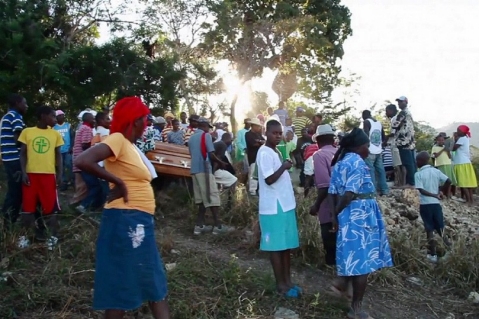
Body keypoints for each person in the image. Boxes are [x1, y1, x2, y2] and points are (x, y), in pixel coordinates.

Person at [75, 97, 170, 319]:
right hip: (126, 220)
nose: (147, 124)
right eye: (144, 119)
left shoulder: (130, 146)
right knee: (138, 283)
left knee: (141, 280)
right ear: (134, 121)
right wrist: (117, 182)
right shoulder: (117, 139)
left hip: (136, 220)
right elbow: (83, 160)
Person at [328, 128, 393, 319]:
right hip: (360, 215)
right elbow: (349, 193)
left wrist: (335, 215)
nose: (368, 149)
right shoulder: (357, 162)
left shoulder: (341, 162)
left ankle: (342, 283)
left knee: (354, 255)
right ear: (358, 147)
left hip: (349, 215)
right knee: (362, 263)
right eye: (366, 146)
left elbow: (333, 192)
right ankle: (356, 309)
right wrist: (337, 213)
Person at [256, 119, 300, 298]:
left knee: (286, 245)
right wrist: (284, 166)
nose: (278, 136)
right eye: (274, 133)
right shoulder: (264, 152)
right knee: (276, 247)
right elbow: (268, 179)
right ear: (266, 133)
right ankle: (281, 285)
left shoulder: (275, 151)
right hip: (273, 207)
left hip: (284, 204)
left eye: (280, 133)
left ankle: (288, 281)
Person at [18, 106, 63, 249]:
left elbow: (58, 155)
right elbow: (23, 154)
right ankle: (25, 237)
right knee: (28, 207)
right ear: (43, 116)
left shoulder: (55, 134)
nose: (55, 119)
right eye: (53, 116)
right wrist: (24, 172)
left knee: (51, 208)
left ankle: (53, 237)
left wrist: (60, 174)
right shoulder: (27, 132)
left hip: (49, 175)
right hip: (31, 175)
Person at [188, 117, 232, 235]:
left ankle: (199, 225)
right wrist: (221, 163)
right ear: (204, 126)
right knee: (212, 196)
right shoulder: (206, 136)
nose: (208, 129)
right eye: (208, 127)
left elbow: (192, 154)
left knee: (202, 198)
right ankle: (218, 226)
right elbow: (211, 154)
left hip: (194, 170)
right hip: (204, 169)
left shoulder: (191, 138)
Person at [415, 151, 451, 263]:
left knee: (429, 229)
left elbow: (421, 190)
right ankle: (450, 249)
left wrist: (434, 194)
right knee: (440, 228)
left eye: (417, 160)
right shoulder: (436, 171)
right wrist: (439, 191)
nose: (416, 162)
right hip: (436, 204)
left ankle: (433, 254)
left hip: (425, 205)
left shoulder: (418, 174)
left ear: (421, 161)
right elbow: (448, 181)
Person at [1, 94, 28, 229]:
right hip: (15, 159)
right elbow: (19, 139)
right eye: (25, 103)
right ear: (17, 103)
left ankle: (7, 218)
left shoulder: (7, 116)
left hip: (8, 158)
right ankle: (9, 221)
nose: (26, 106)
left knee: (13, 190)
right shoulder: (15, 117)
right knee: (16, 191)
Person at [390, 96, 416, 186]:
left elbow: (395, 125)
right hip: (410, 141)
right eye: (399, 102)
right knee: (411, 162)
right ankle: (413, 182)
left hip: (403, 141)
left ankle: (410, 182)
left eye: (401, 102)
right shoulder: (409, 113)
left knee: (407, 163)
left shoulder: (403, 112)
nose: (399, 104)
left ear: (406, 102)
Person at [72, 112, 95, 211]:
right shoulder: (87, 129)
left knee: (81, 185)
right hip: (83, 161)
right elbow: (85, 145)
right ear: (88, 120)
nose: (94, 120)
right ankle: (80, 205)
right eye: (92, 119)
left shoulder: (81, 128)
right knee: (91, 185)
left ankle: (76, 205)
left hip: (78, 159)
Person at [362, 110, 389, 195]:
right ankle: (384, 190)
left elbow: (365, 136)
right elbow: (383, 137)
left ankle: (373, 192)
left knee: (371, 170)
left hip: (370, 151)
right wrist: (380, 146)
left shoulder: (366, 122)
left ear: (364, 115)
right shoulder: (378, 123)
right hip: (378, 150)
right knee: (381, 170)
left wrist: (365, 147)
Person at [453, 125, 477, 206]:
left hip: (461, 163)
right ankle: (471, 201)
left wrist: (454, 139)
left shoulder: (461, 139)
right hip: (465, 162)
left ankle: (468, 201)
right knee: (468, 183)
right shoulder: (466, 138)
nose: (457, 132)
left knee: (463, 183)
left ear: (462, 132)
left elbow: (453, 148)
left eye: (458, 130)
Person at [385, 104, 405, 186]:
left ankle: (400, 183)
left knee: (397, 166)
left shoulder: (394, 119)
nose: (386, 113)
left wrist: (385, 137)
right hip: (398, 144)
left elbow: (393, 133)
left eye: (386, 111)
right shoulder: (397, 118)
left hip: (395, 144)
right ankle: (401, 182)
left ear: (391, 110)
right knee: (400, 165)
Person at [53, 110, 73, 191]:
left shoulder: (68, 125)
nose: (62, 117)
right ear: (56, 117)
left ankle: (69, 181)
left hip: (67, 150)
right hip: (58, 151)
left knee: (69, 165)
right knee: (60, 167)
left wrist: (71, 147)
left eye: (63, 115)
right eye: (60, 115)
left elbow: (72, 136)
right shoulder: (54, 127)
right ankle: (62, 183)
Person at [245, 118, 265, 196]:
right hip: (252, 157)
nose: (259, 128)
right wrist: (260, 142)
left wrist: (259, 141)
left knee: (259, 174)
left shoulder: (258, 134)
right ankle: (252, 191)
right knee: (252, 174)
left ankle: (258, 190)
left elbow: (264, 142)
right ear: (253, 126)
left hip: (259, 157)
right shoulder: (248, 134)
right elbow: (254, 144)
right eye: (257, 126)